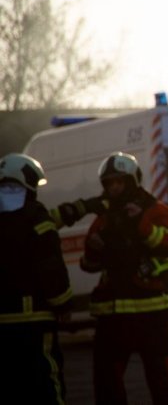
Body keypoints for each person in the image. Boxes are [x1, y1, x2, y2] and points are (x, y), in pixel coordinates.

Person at [80, 151, 168, 405]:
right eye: (109, 183)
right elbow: (88, 264)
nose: (114, 188)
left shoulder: (155, 210)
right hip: (112, 315)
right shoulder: (104, 217)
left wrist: (141, 223)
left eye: (119, 181)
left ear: (133, 181)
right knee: (107, 383)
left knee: (163, 380)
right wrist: (93, 248)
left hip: (152, 313)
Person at [0, 153, 73, 404]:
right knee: (45, 382)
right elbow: (49, 266)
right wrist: (63, 303)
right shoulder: (36, 217)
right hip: (34, 320)